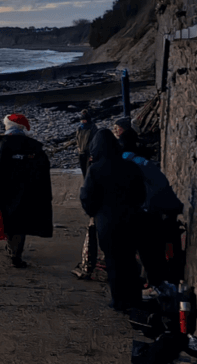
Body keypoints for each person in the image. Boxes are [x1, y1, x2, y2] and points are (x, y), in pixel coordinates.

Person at [80, 130, 147, 312]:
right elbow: (141, 194)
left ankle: (119, 300)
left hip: (107, 221)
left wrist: (93, 212)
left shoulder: (95, 169)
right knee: (130, 259)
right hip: (131, 218)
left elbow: (87, 197)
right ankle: (134, 298)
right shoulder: (131, 166)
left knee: (113, 261)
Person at [0, 114, 53, 269]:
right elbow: (43, 172)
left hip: (3, 192)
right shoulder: (34, 146)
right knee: (21, 223)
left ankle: (11, 247)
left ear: (8, 126)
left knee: (7, 221)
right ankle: (16, 254)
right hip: (27, 192)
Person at [122, 148, 185, 287]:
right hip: (169, 206)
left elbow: (148, 195)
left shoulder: (136, 169)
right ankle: (164, 278)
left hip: (156, 211)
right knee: (159, 246)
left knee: (151, 249)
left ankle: (158, 282)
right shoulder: (144, 164)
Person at [73, 110, 101, 280]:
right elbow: (78, 138)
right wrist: (79, 148)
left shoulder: (93, 129)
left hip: (87, 154)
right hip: (82, 153)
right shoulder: (80, 129)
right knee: (85, 172)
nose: (82, 121)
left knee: (88, 172)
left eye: (84, 119)